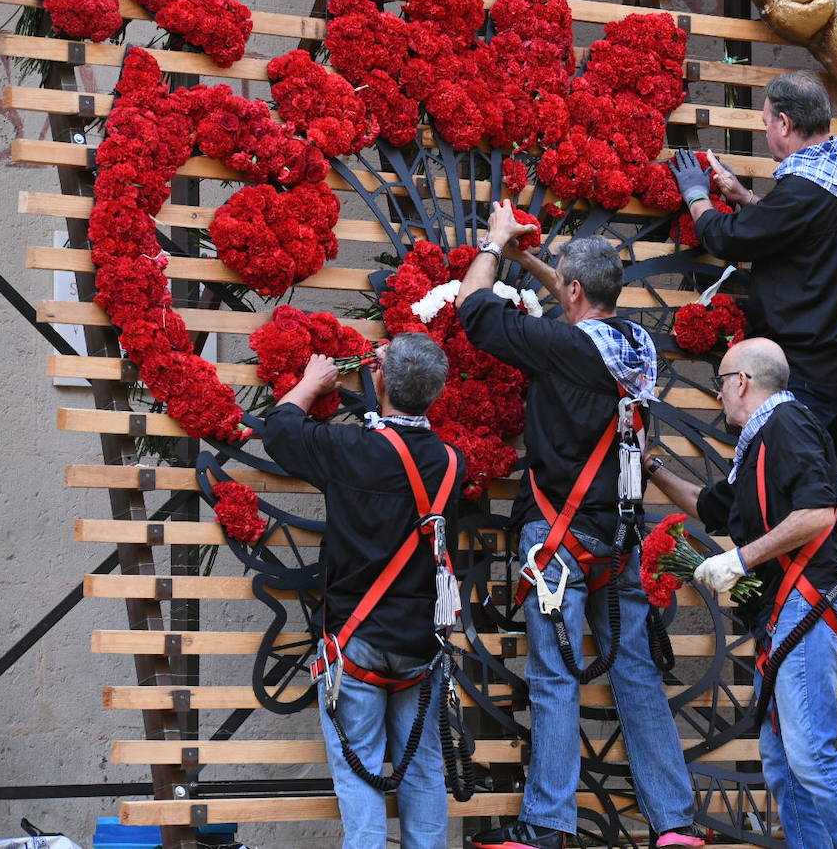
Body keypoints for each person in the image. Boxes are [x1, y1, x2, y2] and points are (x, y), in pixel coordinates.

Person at [457, 201, 703, 849]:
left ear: (571, 291)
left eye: (559, 278)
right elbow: (576, 300)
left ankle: (546, 828)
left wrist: (495, 243)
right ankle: (675, 825)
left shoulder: (563, 348)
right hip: (620, 538)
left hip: (558, 543)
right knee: (637, 680)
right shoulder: (638, 346)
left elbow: (473, 312)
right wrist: (533, 261)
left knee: (554, 679)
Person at [667, 70, 837, 640]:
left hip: (807, 364)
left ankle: (784, 599)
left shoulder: (804, 188)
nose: (766, 132)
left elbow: (730, 240)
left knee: (776, 478)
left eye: (766, 121)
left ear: (784, 123)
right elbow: (804, 233)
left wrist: (696, 195)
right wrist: (751, 200)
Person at [648, 337, 837, 849]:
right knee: (784, 763)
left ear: (740, 382)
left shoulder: (787, 426)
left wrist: (739, 558)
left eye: (720, 384)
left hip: (805, 605)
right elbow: (710, 505)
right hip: (789, 614)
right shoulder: (762, 441)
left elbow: (819, 512)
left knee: (810, 757)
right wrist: (650, 467)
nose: (718, 397)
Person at [261, 332, 462, 849]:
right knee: (422, 775)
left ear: (379, 379)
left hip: (356, 641)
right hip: (421, 646)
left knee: (360, 777)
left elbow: (281, 431)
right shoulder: (451, 463)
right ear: (436, 394)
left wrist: (310, 384)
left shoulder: (351, 448)